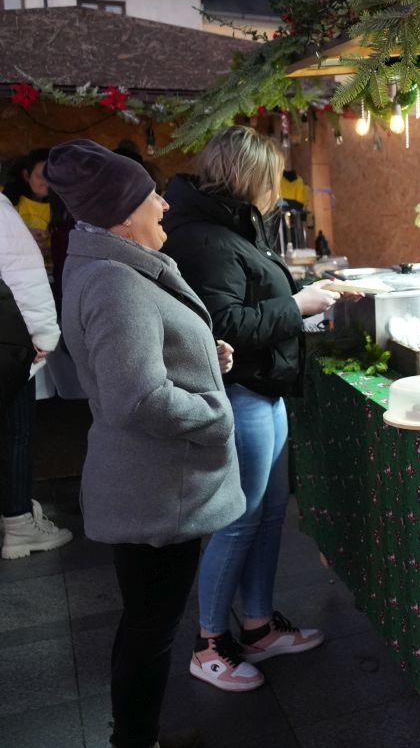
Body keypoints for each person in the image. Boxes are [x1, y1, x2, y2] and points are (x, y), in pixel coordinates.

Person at [46, 139, 245, 748]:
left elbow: (136, 361)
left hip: (151, 483)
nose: (164, 203)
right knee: (150, 630)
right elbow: (136, 397)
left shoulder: (112, 266)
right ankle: (135, 740)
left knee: (146, 624)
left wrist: (203, 359)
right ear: (123, 214)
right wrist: (215, 413)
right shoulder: (116, 282)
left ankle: (135, 736)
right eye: (151, 195)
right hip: (158, 490)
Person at [162, 125, 339, 691]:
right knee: (239, 520)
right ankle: (209, 644)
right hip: (241, 393)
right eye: (271, 176)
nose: (276, 187)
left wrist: (298, 302)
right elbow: (225, 324)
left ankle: (258, 626)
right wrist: (298, 304)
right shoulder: (204, 237)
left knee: (268, 513)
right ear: (251, 177)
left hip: (265, 389)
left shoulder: (229, 226)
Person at [0, 182, 71, 559]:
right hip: (11, 344)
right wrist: (42, 337)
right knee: (16, 434)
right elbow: (23, 276)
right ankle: (18, 523)